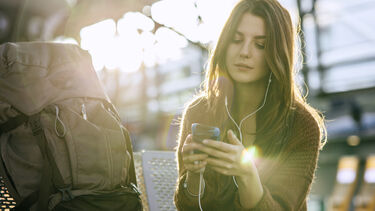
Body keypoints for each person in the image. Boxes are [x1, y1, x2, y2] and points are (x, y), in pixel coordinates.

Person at [173, 0, 327, 210]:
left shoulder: (301, 125)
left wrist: (246, 174)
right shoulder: (199, 111)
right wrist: (193, 174)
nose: (244, 52)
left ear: (277, 53)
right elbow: (186, 206)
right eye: (236, 40)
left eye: (260, 45)